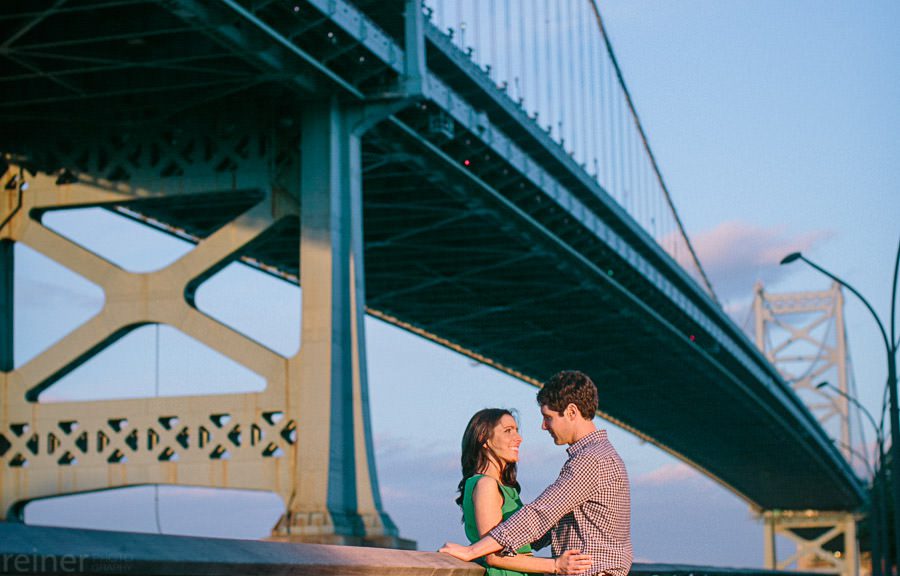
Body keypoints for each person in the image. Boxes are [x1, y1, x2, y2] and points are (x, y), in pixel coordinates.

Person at [440, 371, 632, 576]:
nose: (543, 426)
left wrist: (473, 550)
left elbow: (541, 513)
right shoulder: (598, 456)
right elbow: (547, 525)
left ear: (571, 412)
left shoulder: (591, 460)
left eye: (548, 417)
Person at [454, 408, 593, 576]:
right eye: (508, 431)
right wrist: (555, 565)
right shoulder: (486, 485)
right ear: (484, 438)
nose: (518, 438)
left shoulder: (504, 488)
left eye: (517, 431)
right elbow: (492, 555)